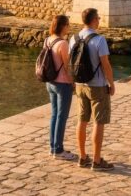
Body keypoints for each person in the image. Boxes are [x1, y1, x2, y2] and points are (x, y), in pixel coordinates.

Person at [70, 8, 115, 171]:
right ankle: (96, 160)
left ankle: (82, 157)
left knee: (82, 120)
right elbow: (106, 65)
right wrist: (111, 83)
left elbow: (71, 62)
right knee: (99, 122)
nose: (100, 20)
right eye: (99, 18)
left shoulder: (73, 39)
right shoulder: (99, 40)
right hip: (97, 85)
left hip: (80, 84)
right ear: (94, 20)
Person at [45, 15, 76, 160]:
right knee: (62, 117)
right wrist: (73, 83)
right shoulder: (63, 44)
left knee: (54, 115)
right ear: (63, 26)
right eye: (68, 25)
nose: (69, 27)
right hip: (62, 84)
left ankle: (53, 147)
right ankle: (58, 150)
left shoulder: (48, 40)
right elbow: (68, 66)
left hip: (50, 82)